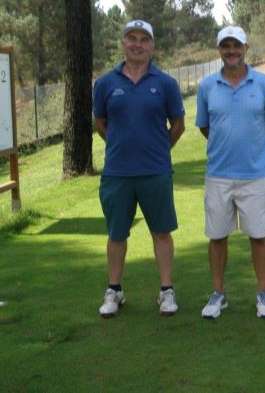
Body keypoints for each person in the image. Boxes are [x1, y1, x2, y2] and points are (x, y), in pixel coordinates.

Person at [94, 20, 186, 318]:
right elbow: (101, 124)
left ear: (152, 46)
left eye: (144, 39)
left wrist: (157, 150)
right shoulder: (106, 83)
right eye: (131, 38)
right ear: (123, 43)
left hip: (155, 171)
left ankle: (166, 291)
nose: (137, 44)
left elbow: (178, 125)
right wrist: (123, 146)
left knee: (161, 232)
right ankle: (114, 290)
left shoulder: (166, 84)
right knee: (117, 233)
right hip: (117, 173)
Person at [196, 26, 265, 320]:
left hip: (254, 174)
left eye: (236, 46)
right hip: (218, 174)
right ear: (219, 49)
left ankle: (263, 293)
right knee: (217, 236)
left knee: (259, 235)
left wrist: (252, 152)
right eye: (225, 46)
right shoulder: (207, 87)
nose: (231, 51)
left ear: (245, 48)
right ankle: (218, 293)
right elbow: (206, 127)